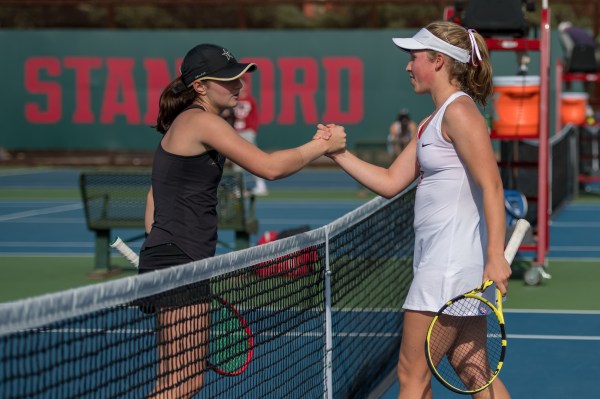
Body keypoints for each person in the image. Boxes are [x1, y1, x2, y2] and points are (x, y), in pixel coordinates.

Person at [139, 43, 346, 399]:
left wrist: (162, 250)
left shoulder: (189, 122)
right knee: (181, 384)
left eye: (238, 77)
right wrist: (321, 146)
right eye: (227, 79)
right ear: (200, 86)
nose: (238, 85)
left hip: (178, 261)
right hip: (179, 264)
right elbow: (269, 167)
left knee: (176, 381)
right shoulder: (201, 121)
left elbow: (153, 198)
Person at [317, 22, 511, 399]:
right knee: (473, 369)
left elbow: (493, 184)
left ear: (438, 62)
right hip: (445, 266)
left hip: (447, 268)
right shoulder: (431, 122)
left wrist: (495, 255)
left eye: (414, 58)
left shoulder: (460, 112)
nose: (408, 67)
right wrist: (337, 153)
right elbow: (391, 181)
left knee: (411, 376)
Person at [231, 78, 269, 195]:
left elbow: (254, 117)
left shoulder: (250, 100)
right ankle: (239, 187)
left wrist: (252, 130)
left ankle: (260, 185)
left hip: (247, 132)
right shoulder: (231, 100)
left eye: (242, 84)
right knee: (236, 161)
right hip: (236, 132)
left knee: (253, 159)